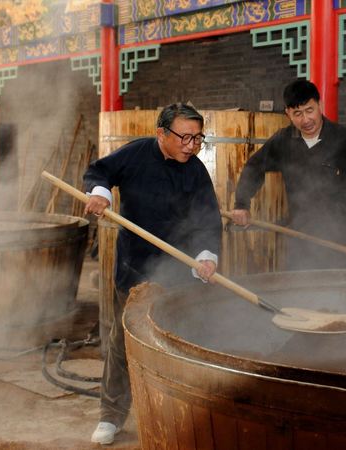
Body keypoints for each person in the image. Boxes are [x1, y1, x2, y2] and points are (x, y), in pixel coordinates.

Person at [83, 103, 222, 445]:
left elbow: (208, 217)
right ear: (162, 133)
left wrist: (206, 255)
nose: (191, 145)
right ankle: (111, 416)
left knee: (179, 340)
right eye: (184, 137)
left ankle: (178, 411)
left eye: (197, 138)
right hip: (134, 267)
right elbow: (99, 172)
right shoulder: (136, 154)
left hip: (178, 270)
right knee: (121, 341)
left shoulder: (196, 170)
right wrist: (100, 195)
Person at [229, 79, 346, 270]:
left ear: (319, 105)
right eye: (297, 114)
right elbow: (254, 166)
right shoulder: (283, 140)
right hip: (299, 236)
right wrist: (241, 204)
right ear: (288, 114)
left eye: (309, 110)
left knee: (334, 293)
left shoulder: (344, 138)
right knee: (299, 292)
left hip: (339, 240)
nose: (305, 120)